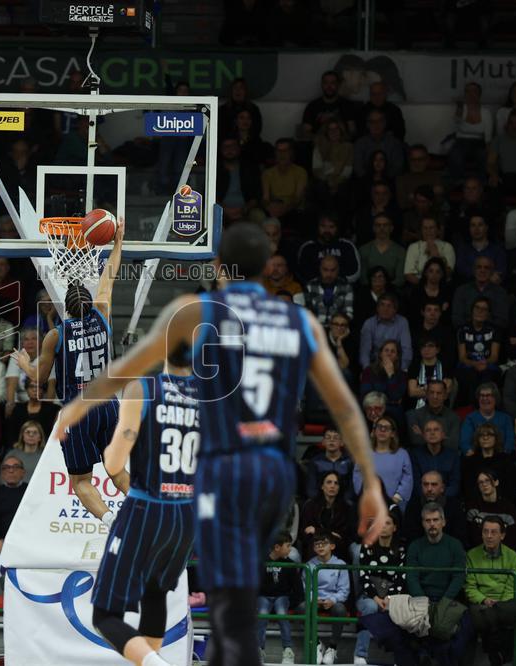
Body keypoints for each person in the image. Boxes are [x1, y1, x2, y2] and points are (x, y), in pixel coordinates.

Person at [58, 222, 389, 666]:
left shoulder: (199, 311)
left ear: (219, 267)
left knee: (226, 615)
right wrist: (369, 482)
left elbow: (127, 367)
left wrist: (76, 409)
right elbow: (347, 409)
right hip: (275, 476)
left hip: (225, 472)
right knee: (233, 610)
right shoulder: (301, 321)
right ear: (269, 269)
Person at [89, 349, 199, 666]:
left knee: (105, 615)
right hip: (185, 512)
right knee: (155, 594)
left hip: (147, 507)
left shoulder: (144, 388)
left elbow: (113, 463)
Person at [13, 220, 126, 526]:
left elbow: (39, 380)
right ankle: (145, 508)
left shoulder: (56, 335)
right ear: (89, 303)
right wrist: (117, 242)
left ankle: (109, 520)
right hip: (109, 405)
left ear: (65, 307)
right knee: (115, 469)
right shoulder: (103, 314)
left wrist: (24, 364)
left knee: (81, 482)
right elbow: (109, 276)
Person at [464, 517, 516, 666]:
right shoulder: (471, 555)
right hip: (482, 603)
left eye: (494, 532)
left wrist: (498, 604)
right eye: (485, 532)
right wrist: (484, 600)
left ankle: (493, 652)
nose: (489, 536)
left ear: (502, 535)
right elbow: (470, 587)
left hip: (505, 604)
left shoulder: (513, 556)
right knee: (480, 614)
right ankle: (500, 655)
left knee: (515, 608)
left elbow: (513, 587)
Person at [353, 513, 405, 666]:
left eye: (387, 523)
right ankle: (360, 655)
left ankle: (399, 658)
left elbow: (401, 578)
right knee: (369, 606)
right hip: (369, 596)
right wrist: (376, 598)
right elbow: (363, 577)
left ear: (394, 527)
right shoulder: (367, 547)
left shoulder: (401, 550)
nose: (383, 526)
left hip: (392, 596)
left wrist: (389, 598)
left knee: (399, 609)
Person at [302, 532, 349, 665]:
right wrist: (313, 598)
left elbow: (344, 590)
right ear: (313, 548)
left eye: (324, 543)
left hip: (333, 601)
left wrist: (333, 600)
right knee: (302, 607)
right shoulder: (309, 565)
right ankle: (316, 643)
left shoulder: (341, 564)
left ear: (332, 546)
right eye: (317, 544)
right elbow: (306, 588)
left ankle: (332, 647)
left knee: (340, 609)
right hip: (315, 600)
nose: (320, 546)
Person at [258, 533, 299, 665]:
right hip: (263, 596)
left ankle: (287, 650)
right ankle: (259, 650)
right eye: (288, 546)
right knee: (262, 615)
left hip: (282, 597)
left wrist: (291, 603)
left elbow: (298, 588)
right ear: (277, 547)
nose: (290, 549)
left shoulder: (290, 564)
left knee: (282, 614)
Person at [0, 455, 27, 557]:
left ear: (23, 472)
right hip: (2, 543)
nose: (11, 471)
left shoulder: (31, 492)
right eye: (6, 468)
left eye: (15, 467)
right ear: (2, 474)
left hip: (28, 541)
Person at [465, 470, 516, 548]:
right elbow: (470, 536)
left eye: (487, 480)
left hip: (503, 552)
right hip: (478, 552)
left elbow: (512, 537)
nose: (484, 484)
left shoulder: (508, 508)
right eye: (481, 482)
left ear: (496, 482)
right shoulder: (472, 508)